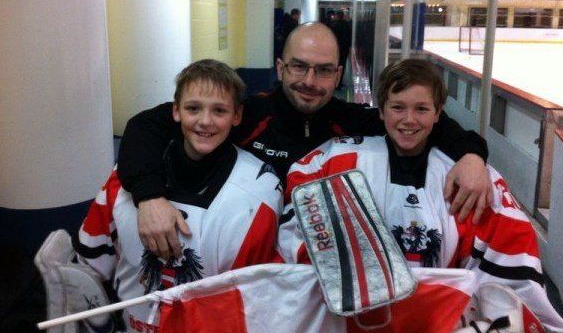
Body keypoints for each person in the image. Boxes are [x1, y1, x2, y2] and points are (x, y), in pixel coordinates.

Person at [117, 23, 492, 259]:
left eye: (324, 70)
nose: (310, 80)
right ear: (280, 67)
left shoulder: (354, 122)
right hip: (242, 259)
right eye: (299, 66)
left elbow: (417, 120)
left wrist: (472, 155)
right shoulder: (241, 113)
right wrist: (149, 196)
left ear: (338, 74)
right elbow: (145, 127)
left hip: (314, 266)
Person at [277, 58, 563, 333]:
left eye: (421, 109)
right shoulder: (334, 161)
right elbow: (300, 230)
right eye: (397, 107)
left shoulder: (471, 178)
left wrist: (483, 330)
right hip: (356, 331)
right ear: (380, 110)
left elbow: (509, 274)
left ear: (439, 112)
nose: (409, 120)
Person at [74, 60, 282, 333]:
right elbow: (89, 268)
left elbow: (257, 302)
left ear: (237, 116)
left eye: (219, 110)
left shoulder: (259, 194)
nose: (205, 121)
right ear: (175, 111)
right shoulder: (124, 179)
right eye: (193, 108)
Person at [329, 10, 352, 85]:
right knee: (342, 65)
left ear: (337, 16)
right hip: (344, 50)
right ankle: (339, 82)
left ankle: (333, 81)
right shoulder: (347, 25)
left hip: (335, 49)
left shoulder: (333, 25)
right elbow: (349, 37)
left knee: (334, 65)